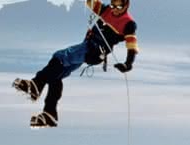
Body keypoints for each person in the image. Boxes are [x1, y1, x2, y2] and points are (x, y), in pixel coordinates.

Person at [13, 0, 139, 128]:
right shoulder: (106, 10)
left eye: (119, 6)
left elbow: (132, 46)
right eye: (113, 4)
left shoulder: (128, 23)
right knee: (57, 73)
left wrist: (128, 64)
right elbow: (90, 2)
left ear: (126, 6)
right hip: (87, 46)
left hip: (94, 50)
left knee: (60, 57)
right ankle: (49, 114)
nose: (115, 9)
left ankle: (36, 84)